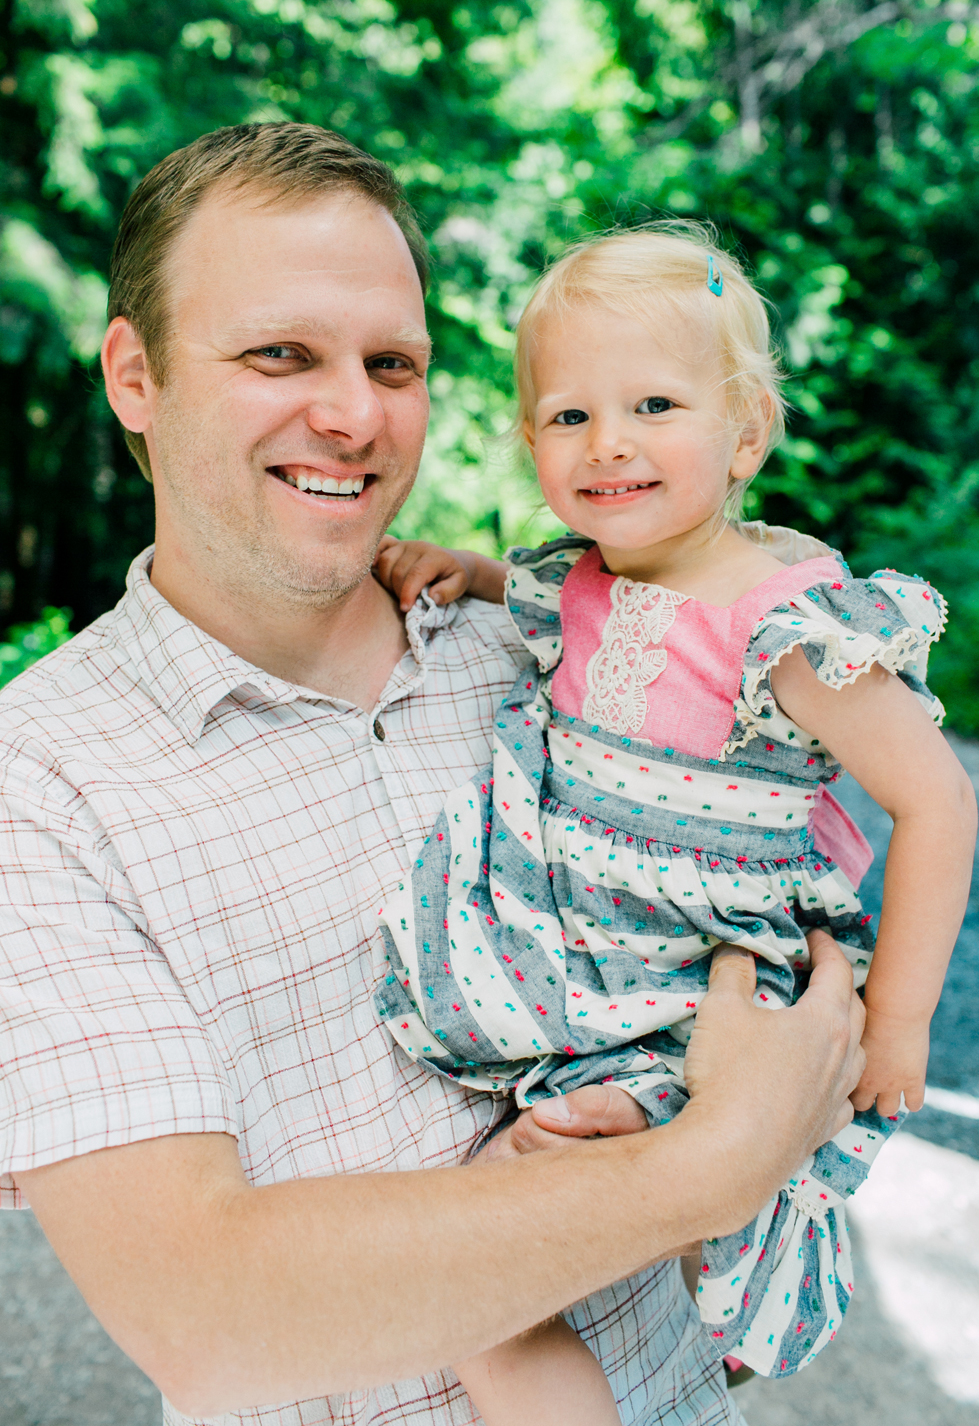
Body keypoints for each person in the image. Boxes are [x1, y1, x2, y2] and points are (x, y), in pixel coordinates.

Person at [0, 123, 870, 1426]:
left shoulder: (552, 655)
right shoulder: (40, 780)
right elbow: (206, 1317)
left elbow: (778, 891)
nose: (352, 413)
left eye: (391, 363)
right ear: (137, 373)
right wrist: (719, 1160)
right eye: (278, 353)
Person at [373, 224, 977, 1425]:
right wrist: (464, 567)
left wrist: (896, 1023)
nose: (608, 444)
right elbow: (531, 588)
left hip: (686, 989)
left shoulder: (784, 623)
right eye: (567, 415)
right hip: (565, 958)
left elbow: (937, 797)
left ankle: (711, 1249)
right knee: (493, 1281)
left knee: (491, 1266)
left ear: (746, 430)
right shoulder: (582, 575)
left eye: (653, 403)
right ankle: (682, 1286)